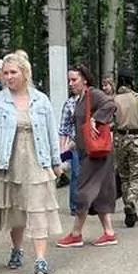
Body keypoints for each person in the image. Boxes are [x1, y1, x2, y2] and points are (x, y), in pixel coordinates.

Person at [0, 52, 64, 274]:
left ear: (25, 73)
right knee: (16, 210)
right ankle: (16, 249)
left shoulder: (40, 100)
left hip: (37, 158)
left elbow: (51, 132)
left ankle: (41, 259)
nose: (8, 77)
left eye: (13, 72)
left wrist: (56, 162)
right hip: (9, 160)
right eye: (5, 73)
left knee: (37, 208)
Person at [56, 64, 120, 248]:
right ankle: (109, 233)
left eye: (74, 79)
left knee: (83, 191)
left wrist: (95, 118)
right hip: (88, 152)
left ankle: (76, 234)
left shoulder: (94, 94)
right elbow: (81, 130)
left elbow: (111, 104)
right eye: (69, 80)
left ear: (84, 80)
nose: (70, 83)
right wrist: (68, 148)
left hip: (97, 153)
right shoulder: (80, 99)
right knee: (99, 193)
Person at [112, 74, 138, 227]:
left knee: (124, 176)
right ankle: (131, 200)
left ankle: (129, 210)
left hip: (119, 140)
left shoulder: (113, 100)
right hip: (136, 139)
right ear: (131, 83)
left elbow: (111, 121)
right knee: (137, 175)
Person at [59, 84, 81, 216]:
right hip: (75, 145)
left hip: (91, 145)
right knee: (76, 174)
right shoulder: (69, 104)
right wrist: (63, 150)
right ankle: (75, 206)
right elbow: (64, 128)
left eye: (74, 80)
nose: (71, 84)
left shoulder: (92, 100)